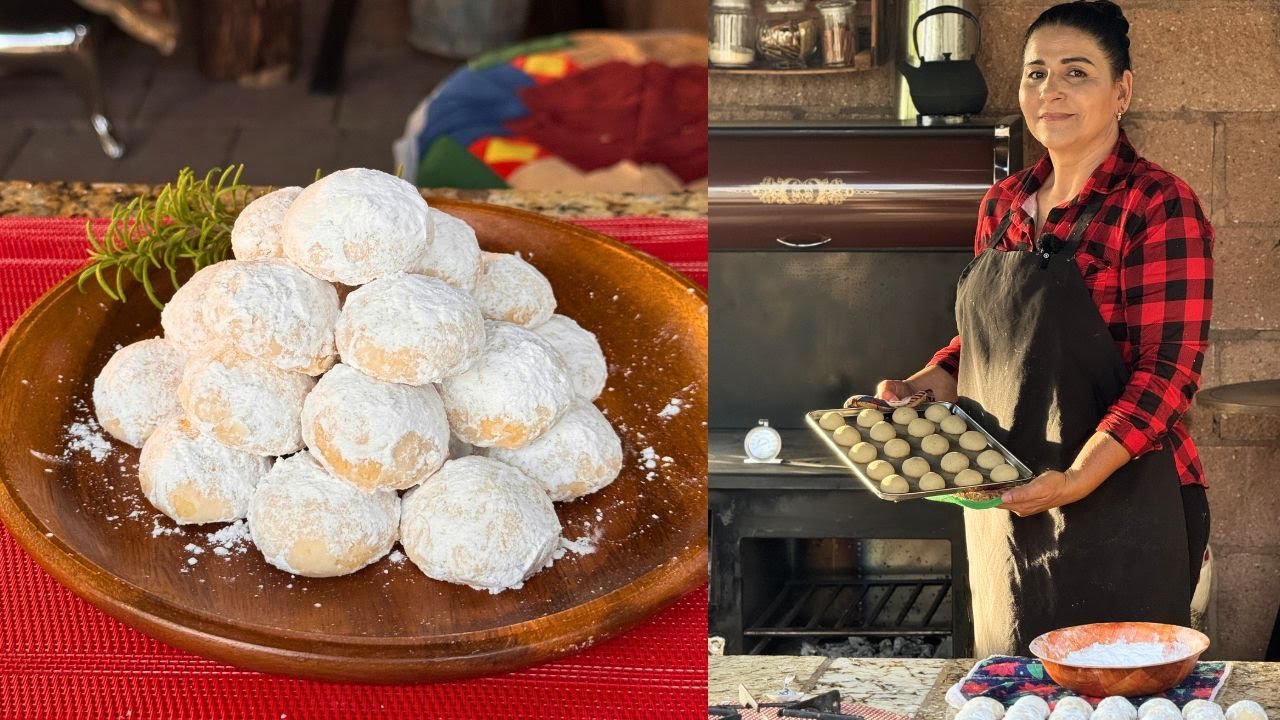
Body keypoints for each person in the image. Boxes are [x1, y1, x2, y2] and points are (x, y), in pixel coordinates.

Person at [876, 0, 1213, 655]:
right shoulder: (1003, 206)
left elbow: (1167, 377)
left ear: (1123, 91)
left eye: (1076, 73)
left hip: (1122, 510)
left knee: (1116, 694)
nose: (1049, 90)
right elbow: (988, 344)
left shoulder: (1158, 205)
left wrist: (1077, 481)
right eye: (1035, 74)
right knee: (1016, 690)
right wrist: (927, 381)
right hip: (1010, 515)